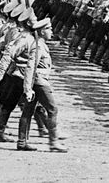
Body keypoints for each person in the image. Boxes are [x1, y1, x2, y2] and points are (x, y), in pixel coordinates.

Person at [17, 18, 68, 152]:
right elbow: (31, 66)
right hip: (39, 82)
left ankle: (22, 142)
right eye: (48, 29)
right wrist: (27, 88)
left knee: (28, 111)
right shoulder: (38, 46)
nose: (51, 32)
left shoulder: (41, 44)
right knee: (52, 110)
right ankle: (53, 142)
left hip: (37, 81)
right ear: (41, 31)